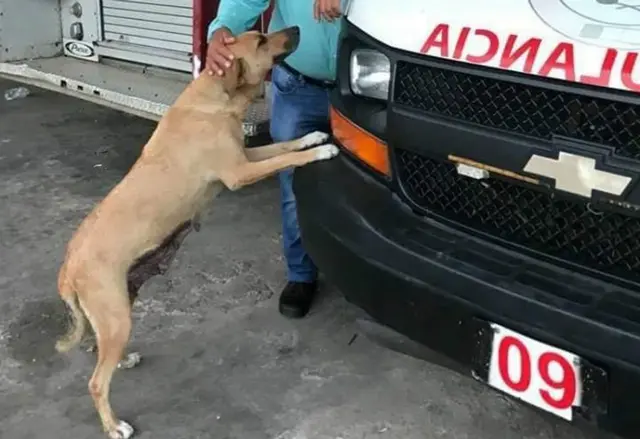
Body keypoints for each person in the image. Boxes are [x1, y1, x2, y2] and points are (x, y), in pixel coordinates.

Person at [206, 0, 346, 319]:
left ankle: (371, 275)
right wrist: (222, 30)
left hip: (365, 84)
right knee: (295, 182)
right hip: (298, 86)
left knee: (373, 179)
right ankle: (301, 275)